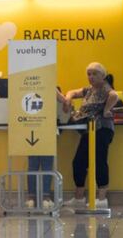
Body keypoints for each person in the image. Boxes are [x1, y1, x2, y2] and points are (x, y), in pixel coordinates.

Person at [64, 62, 118, 209]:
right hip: (89, 130)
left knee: (100, 161)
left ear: (103, 76)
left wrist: (107, 109)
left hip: (102, 130)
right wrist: (68, 99)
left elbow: (114, 95)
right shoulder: (89, 90)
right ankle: (79, 197)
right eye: (89, 74)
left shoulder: (105, 87)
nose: (91, 77)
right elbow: (72, 92)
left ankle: (101, 199)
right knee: (79, 162)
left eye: (94, 74)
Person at [26, 89, 66, 209]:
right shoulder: (49, 86)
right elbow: (64, 102)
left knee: (32, 165)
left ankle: (31, 199)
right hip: (48, 127)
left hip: (30, 127)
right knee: (47, 165)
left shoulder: (25, 85)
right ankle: (46, 198)